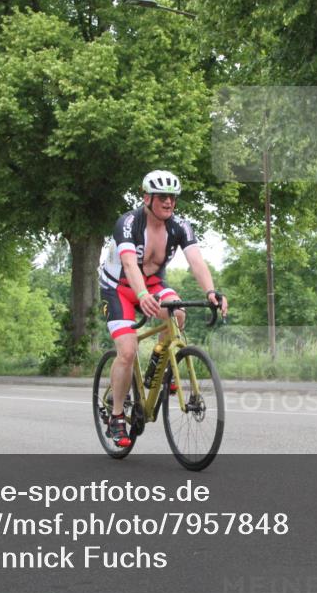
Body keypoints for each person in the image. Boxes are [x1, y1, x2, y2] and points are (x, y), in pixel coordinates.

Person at [98, 170, 228, 447]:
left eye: (173, 198)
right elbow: (130, 264)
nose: (169, 202)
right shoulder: (129, 223)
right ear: (147, 198)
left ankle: (159, 364)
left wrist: (211, 292)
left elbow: (196, 261)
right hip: (118, 287)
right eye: (163, 197)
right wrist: (141, 294)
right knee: (128, 350)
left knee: (178, 313)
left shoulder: (180, 226)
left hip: (153, 283)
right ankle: (118, 416)